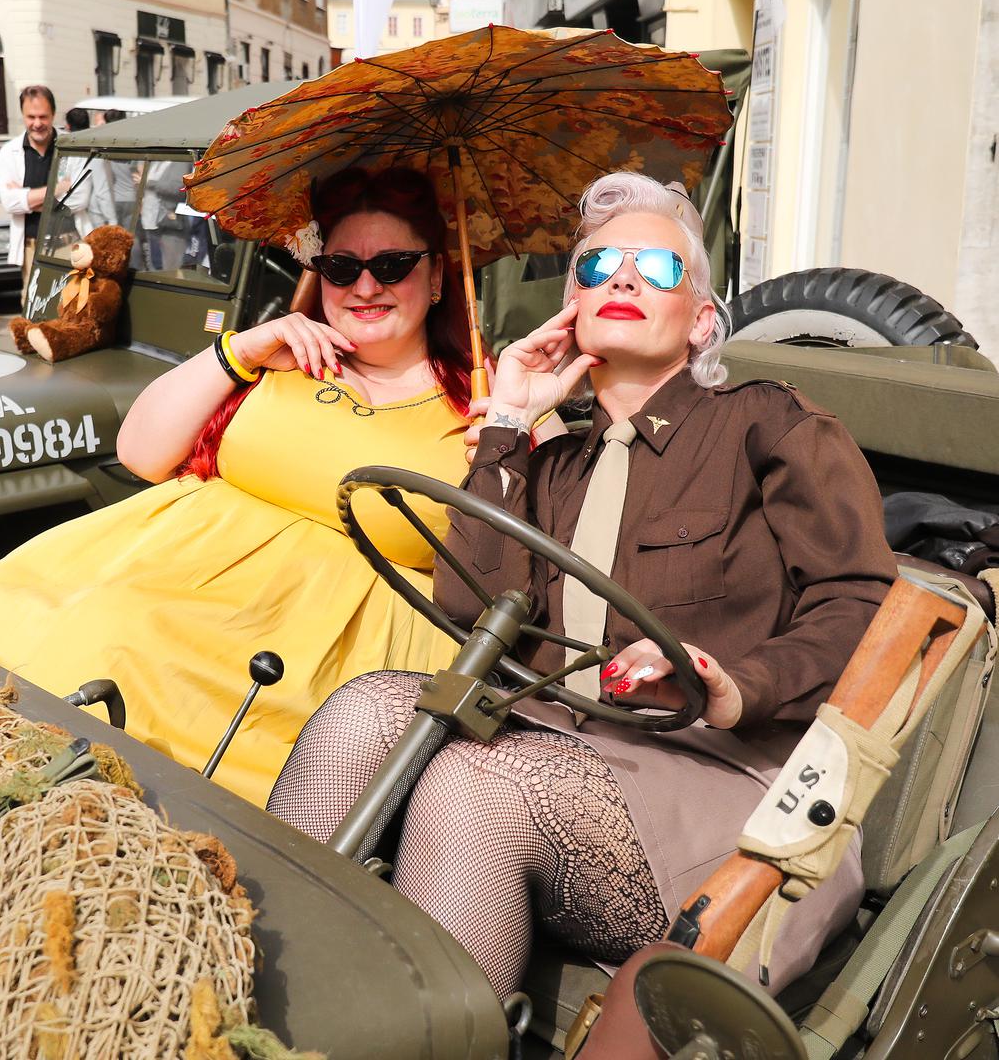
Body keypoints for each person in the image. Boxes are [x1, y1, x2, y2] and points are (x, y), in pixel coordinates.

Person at [266, 171, 896, 997]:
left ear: (702, 319)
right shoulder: (551, 457)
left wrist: (735, 685)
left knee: (472, 784)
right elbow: (472, 612)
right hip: (557, 741)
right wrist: (506, 422)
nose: (623, 279)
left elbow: (861, 607)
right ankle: (269, 996)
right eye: (597, 267)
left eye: (656, 268)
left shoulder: (768, 424)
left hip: (728, 779)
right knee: (363, 710)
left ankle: (432, 1033)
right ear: (571, 311)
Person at [0, 167, 477, 803]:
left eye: (392, 265)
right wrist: (244, 349)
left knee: (116, 650)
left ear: (438, 275)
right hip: (175, 588)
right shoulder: (281, 356)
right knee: (11, 602)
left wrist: (506, 437)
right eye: (341, 268)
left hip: (316, 655)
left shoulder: (487, 404)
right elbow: (140, 454)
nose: (366, 286)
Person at [0, 86, 90, 294]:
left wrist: (28, 199)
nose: (37, 123)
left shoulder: (73, 146)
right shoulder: (9, 152)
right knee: (33, 308)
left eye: (43, 117)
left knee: (73, 307)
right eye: (31, 117)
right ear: (22, 115)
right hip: (31, 249)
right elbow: (9, 203)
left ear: (53, 115)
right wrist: (58, 189)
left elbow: (80, 199)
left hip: (69, 246)